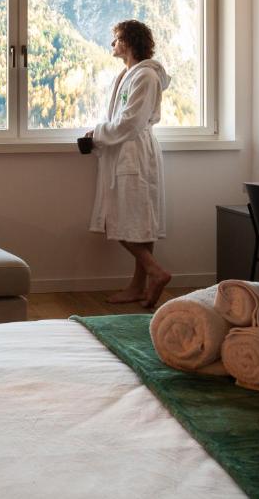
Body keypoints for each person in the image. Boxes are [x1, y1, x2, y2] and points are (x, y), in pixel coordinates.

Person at [85, 19, 172, 308]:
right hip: (126, 150)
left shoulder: (145, 77)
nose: (113, 44)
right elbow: (122, 119)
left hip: (134, 153)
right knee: (137, 221)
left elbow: (132, 121)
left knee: (125, 219)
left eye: (117, 39)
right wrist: (98, 133)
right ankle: (138, 285)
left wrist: (98, 133)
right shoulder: (129, 75)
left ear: (130, 42)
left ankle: (155, 272)